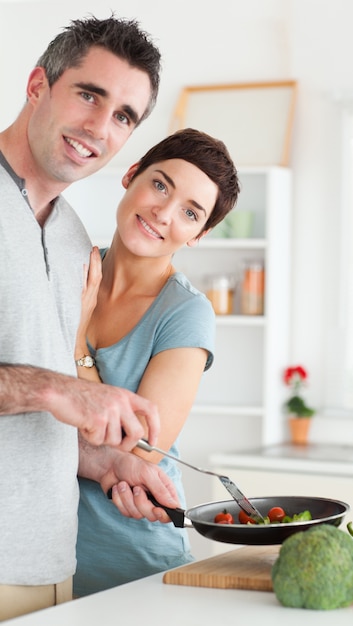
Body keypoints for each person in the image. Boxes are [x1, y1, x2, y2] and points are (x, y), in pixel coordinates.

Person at [0, 15, 180, 621]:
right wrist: (58, 389)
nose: (100, 128)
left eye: (124, 116)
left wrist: (107, 463)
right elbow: (46, 391)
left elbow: (30, 420)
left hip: (52, 567)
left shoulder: (77, 240)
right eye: (88, 94)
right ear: (36, 86)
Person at [72, 128, 240, 595]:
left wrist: (80, 342)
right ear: (130, 176)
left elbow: (138, 450)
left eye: (190, 213)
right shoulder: (69, 269)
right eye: (161, 185)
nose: (163, 214)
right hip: (41, 553)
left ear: (198, 235)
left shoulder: (186, 312)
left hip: (131, 562)